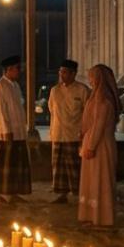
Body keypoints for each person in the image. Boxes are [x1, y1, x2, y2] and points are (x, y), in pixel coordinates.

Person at [78, 64, 120, 227]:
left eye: (92, 77)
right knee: (91, 180)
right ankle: (90, 214)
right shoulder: (95, 97)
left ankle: (102, 216)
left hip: (100, 146)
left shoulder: (104, 100)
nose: (90, 81)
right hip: (91, 142)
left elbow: (99, 125)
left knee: (100, 179)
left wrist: (91, 146)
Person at [47, 59, 90, 204]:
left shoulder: (82, 90)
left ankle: (79, 193)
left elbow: (87, 113)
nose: (62, 75)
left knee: (75, 166)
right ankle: (61, 193)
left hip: (74, 134)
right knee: (58, 166)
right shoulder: (55, 91)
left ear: (73, 74)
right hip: (58, 133)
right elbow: (52, 110)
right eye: (60, 72)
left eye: (65, 72)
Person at [0, 55, 31, 204]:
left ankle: (13, 193)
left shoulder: (15, 86)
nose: (18, 72)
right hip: (5, 134)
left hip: (18, 131)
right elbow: (0, 111)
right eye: (16, 69)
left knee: (16, 164)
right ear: (8, 70)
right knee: (4, 164)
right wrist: (6, 130)